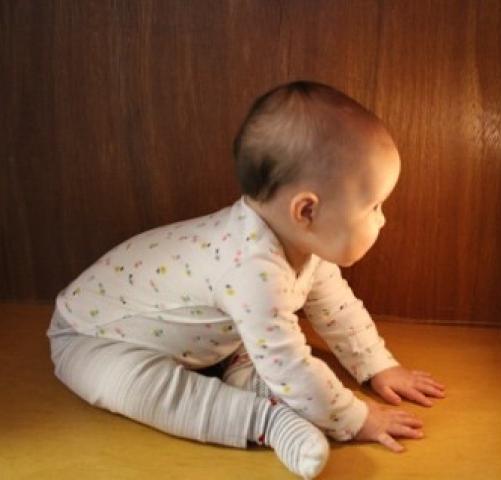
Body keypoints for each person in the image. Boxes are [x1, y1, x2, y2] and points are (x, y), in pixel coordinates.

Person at [47, 81, 445, 479]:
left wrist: (377, 365)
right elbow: (289, 364)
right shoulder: (250, 269)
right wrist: (356, 418)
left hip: (202, 341)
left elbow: (336, 307)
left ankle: (257, 385)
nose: (383, 219)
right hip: (92, 336)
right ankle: (266, 422)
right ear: (306, 210)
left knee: (252, 348)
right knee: (143, 388)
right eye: (373, 206)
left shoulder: (296, 244)